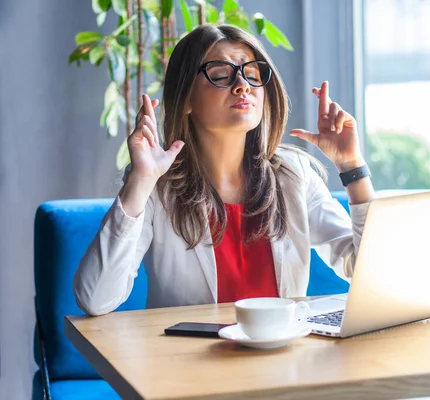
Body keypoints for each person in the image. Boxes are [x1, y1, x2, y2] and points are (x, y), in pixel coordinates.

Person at [73, 24, 375, 316]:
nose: (242, 86)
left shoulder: (293, 175)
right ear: (186, 98)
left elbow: (368, 273)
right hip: (186, 363)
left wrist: (352, 166)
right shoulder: (157, 183)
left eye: (253, 75)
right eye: (220, 75)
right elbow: (96, 299)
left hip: (283, 361)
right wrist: (140, 181)